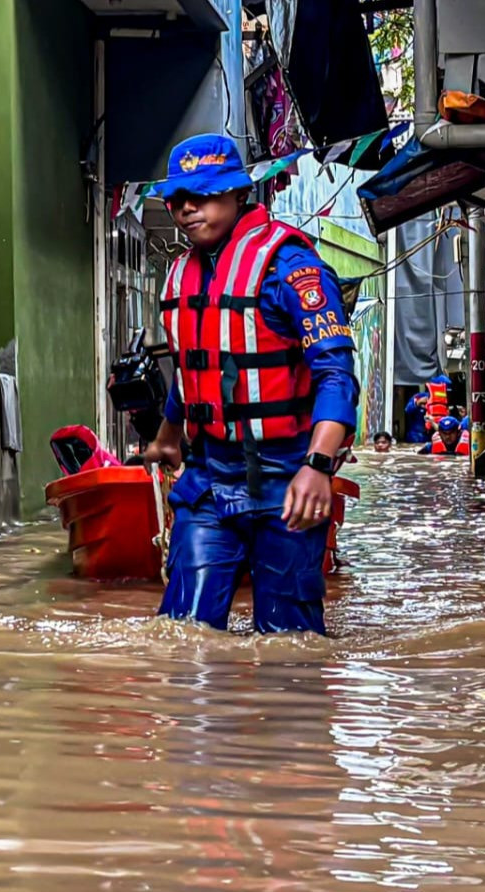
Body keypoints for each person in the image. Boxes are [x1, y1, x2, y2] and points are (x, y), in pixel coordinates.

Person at [141, 133, 359, 635]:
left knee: (290, 646)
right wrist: (168, 437)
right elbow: (196, 371)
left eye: (204, 196)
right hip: (208, 481)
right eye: (178, 200)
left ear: (240, 194)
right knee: (183, 636)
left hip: (287, 478)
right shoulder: (182, 276)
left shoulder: (292, 268)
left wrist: (318, 466)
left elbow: (336, 375)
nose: (188, 210)